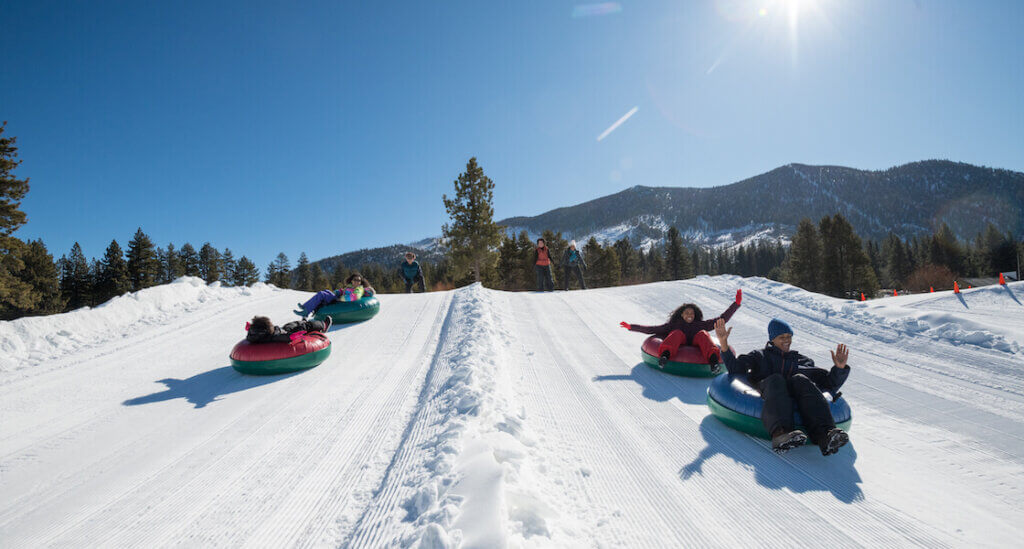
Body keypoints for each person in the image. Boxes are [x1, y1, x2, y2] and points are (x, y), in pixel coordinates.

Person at [715, 317, 851, 456]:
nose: (786, 340)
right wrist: (724, 343)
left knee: (800, 379)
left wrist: (839, 368)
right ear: (772, 339)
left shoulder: (802, 361)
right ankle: (781, 434)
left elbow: (829, 385)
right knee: (776, 379)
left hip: (796, 394)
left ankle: (825, 436)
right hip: (769, 390)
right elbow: (736, 369)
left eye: (789, 336)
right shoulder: (760, 356)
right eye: (782, 337)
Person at [619, 289, 742, 373]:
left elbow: (722, 319)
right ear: (682, 315)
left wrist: (736, 304)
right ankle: (665, 357)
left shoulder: (700, 325)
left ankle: (714, 362)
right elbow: (652, 329)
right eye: (687, 313)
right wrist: (631, 327)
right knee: (677, 333)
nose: (690, 315)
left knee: (703, 334)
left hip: (696, 342)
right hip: (679, 341)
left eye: (692, 313)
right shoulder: (674, 325)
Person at [295, 273, 373, 317]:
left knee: (322, 294)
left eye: (359, 280)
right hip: (338, 298)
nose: (357, 282)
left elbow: (354, 297)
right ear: (352, 281)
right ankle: (305, 306)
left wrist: (340, 298)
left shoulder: (359, 289)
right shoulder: (350, 287)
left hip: (341, 301)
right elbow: (343, 291)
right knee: (326, 291)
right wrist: (338, 292)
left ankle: (306, 312)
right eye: (355, 280)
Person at [246, 315, 331, 343]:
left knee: (290, 324)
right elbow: (283, 337)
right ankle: (323, 325)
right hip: (288, 333)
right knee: (306, 326)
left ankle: (302, 322)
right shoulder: (273, 336)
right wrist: (291, 337)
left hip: (283, 330)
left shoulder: (254, 334)